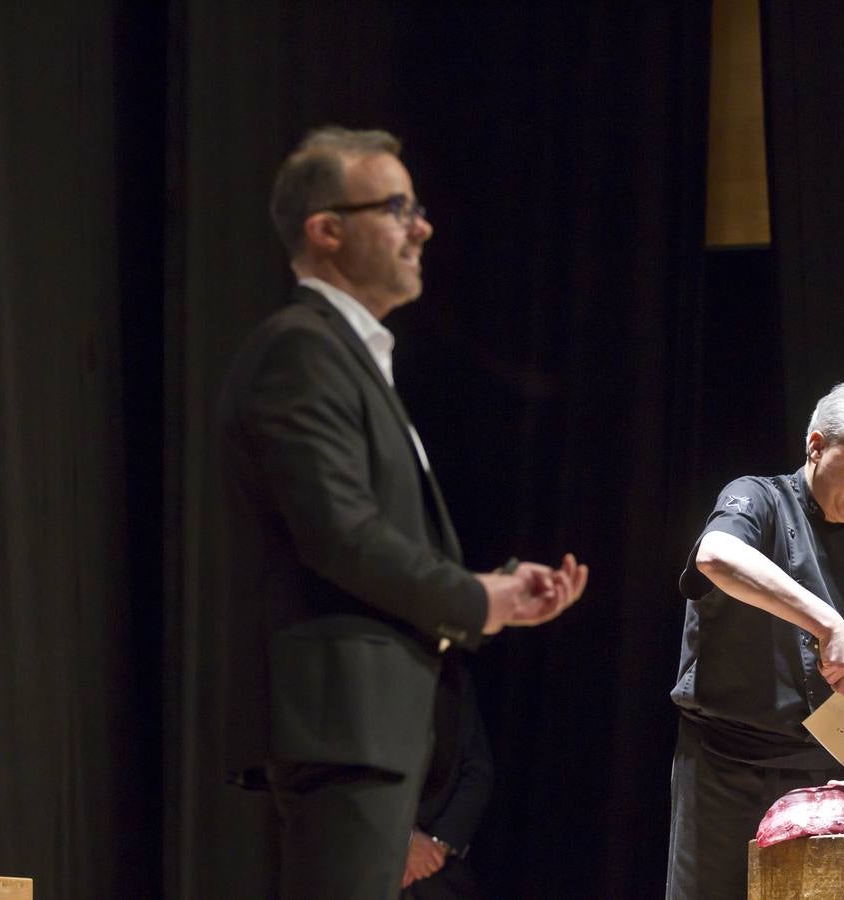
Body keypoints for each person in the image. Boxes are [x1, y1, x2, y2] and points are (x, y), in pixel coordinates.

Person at [217, 126, 588, 900]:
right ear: (326, 230)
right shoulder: (300, 349)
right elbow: (339, 535)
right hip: (341, 721)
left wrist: (498, 593)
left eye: (416, 208)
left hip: (376, 727)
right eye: (395, 207)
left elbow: (371, 532)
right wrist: (474, 598)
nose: (421, 227)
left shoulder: (351, 358)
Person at [665, 381, 844, 900]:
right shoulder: (757, 499)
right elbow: (715, 556)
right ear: (817, 445)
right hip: (723, 768)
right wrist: (828, 623)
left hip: (823, 784)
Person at [400, 651, 492, 899]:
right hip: (366, 860)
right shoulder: (362, 664)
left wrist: (436, 847)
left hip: (436, 869)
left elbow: (477, 770)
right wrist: (404, 840)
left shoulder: (453, 674)